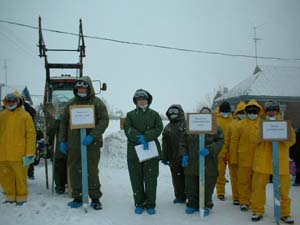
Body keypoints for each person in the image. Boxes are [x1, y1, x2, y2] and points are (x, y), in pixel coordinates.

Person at [59, 76, 109, 210]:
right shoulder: (70, 104)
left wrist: (93, 136)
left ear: (89, 88)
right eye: (79, 87)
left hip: (92, 144)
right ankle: (78, 196)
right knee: (75, 170)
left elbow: (104, 120)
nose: (81, 89)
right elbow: (63, 123)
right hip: (74, 144)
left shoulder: (97, 103)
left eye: (84, 87)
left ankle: (95, 198)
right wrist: (62, 141)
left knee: (91, 170)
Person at [251, 101, 296, 224]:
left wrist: (281, 135)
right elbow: (254, 140)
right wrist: (264, 131)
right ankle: (258, 211)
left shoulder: (284, 124)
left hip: (280, 162)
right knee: (258, 189)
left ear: (277, 111)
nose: (271, 112)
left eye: (273, 110)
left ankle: (285, 213)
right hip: (262, 162)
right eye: (269, 110)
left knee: (283, 190)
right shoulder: (259, 124)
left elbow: (291, 141)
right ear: (265, 112)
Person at [123, 89, 163, 215]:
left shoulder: (155, 115)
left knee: (151, 179)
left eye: (144, 99)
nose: (142, 101)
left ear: (148, 100)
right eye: (139, 99)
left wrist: (146, 137)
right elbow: (127, 128)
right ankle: (139, 203)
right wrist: (138, 137)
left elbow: (159, 128)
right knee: (136, 178)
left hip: (150, 151)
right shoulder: (130, 115)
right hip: (134, 152)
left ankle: (150, 204)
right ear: (135, 101)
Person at [179, 107, 224, 215]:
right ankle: (192, 204)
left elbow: (221, 141)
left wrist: (210, 149)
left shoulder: (216, 128)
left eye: (207, 115)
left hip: (209, 163)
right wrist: (184, 154)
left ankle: (205, 204)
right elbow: (183, 142)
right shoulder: (190, 127)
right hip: (192, 162)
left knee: (208, 185)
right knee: (191, 184)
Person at [0, 92, 36, 205]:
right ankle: (10, 197)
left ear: (18, 101)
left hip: (19, 154)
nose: (11, 103)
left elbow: (31, 135)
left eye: (13, 101)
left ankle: (21, 197)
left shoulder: (25, 116)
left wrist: (30, 152)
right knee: (5, 177)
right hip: (3, 154)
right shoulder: (1, 116)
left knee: (20, 178)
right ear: (6, 102)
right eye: (9, 101)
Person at [230, 99, 263, 212]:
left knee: (256, 184)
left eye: (255, 112)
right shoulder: (239, 125)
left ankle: (255, 202)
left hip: (258, 159)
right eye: (250, 111)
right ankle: (244, 201)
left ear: (258, 112)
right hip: (243, 158)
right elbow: (234, 142)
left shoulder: (263, 125)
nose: (252, 114)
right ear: (246, 112)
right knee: (243, 181)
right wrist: (233, 158)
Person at [222, 100, 246, 205]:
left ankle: (245, 198)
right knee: (234, 178)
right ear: (236, 113)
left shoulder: (252, 124)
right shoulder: (232, 125)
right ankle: (236, 197)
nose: (242, 114)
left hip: (246, 157)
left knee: (245, 179)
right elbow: (227, 141)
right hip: (233, 156)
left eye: (243, 112)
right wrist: (224, 153)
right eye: (240, 112)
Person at [161, 104, 186, 204]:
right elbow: (165, 143)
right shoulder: (167, 128)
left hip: (186, 157)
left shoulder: (187, 124)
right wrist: (164, 156)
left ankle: (191, 197)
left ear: (180, 112)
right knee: (176, 179)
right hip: (173, 158)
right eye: (171, 112)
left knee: (188, 178)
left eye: (175, 112)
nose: (173, 114)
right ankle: (179, 196)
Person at [216, 101, 233, 201]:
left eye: (227, 111)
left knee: (234, 174)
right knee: (220, 173)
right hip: (220, 151)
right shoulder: (216, 120)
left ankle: (237, 194)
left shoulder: (233, 120)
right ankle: (220, 192)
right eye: (224, 111)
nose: (225, 113)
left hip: (231, 151)